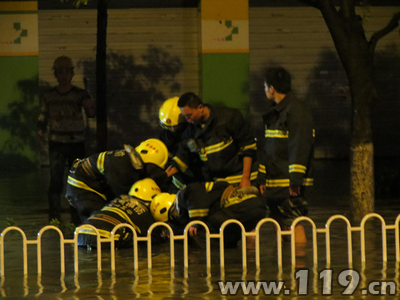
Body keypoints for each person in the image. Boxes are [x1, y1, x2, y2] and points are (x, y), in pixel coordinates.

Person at [257, 67, 315, 244]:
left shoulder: (296, 111)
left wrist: (295, 179)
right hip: (274, 181)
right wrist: (262, 178)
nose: (265, 90)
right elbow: (267, 148)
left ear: (272, 89)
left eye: (265, 87)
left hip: (288, 183)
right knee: (278, 221)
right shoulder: (275, 113)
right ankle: (286, 266)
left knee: (293, 221)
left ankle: (299, 266)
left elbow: (300, 146)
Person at [37, 55, 96, 222]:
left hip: (76, 142)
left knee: (77, 179)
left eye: (66, 71)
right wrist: (40, 132)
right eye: (60, 72)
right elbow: (43, 116)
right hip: (57, 143)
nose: (63, 75)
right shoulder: (49, 96)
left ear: (72, 74)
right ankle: (54, 216)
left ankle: (77, 215)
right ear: (55, 74)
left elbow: (91, 113)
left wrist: (90, 106)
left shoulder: (80, 94)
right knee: (56, 180)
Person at [165, 92, 258, 188]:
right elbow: (183, 154)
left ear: (200, 108)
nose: (188, 120)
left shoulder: (230, 118)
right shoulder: (191, 130)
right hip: (218, 184)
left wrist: (245, 178)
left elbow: (248, 148)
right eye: (185, 117)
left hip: (239, 179)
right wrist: (167, 173)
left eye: (189, 115)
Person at [66, 138, 169, 223]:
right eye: (154, 169)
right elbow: (122, 197)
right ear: (147, 161)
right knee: (99, 221)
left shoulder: (128, 162)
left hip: (88, 182)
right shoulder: (123, 167)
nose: (153, 174)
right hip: (83, 185)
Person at [150, 181, 268, 248]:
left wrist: (195, 222)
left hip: (238, 206)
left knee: (199, 233)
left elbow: (196, 193)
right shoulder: (193, 206)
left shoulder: (183, 196)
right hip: (254, 207)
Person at [77, 178, 165, 249]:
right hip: (106, 237)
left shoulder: (119, 199)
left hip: (81, 232)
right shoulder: (144, 211)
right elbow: (154, 236)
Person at [158, 96, 203, 192]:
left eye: (176, 126)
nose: (172, 130)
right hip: (175, 184)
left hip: (197, 182)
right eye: (168, 127)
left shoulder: (193, 132)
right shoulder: (164, 136)